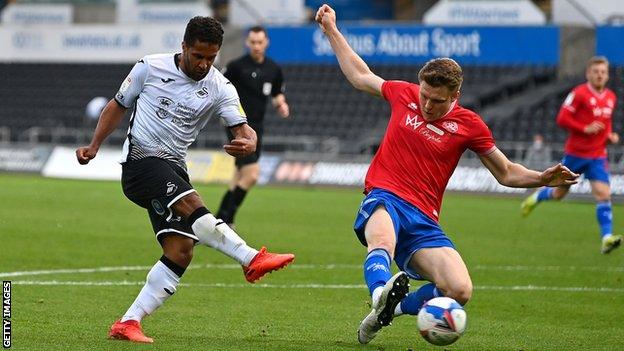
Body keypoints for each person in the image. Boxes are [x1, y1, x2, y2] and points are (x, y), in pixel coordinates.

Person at [315, 4, 578, 345]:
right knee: (381, 239)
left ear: (455, 96)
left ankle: (388, 311)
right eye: (424, 95)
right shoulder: (405, 94)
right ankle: (380, 292)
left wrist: (542, 178)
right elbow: (360, 75)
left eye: (436, 100)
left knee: (459, 289)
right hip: (386, 196)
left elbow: (507, 172)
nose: (426, 105)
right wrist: (332, 31)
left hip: (424, 218)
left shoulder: (470, 125)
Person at [75, 16, 295, 343]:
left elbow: (243, 129)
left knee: (181, 250)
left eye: (211, 58)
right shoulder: (149, 68)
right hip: (141, 163)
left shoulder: (220, 86)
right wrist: (94, 146)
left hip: (175, 168)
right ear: (184, 47)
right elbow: (117, 106)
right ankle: (250, 258)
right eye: (198, 56)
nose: (205, 64)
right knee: (194, 204)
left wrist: (250, 141)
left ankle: (128, 322)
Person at [521, 56, 622, 254]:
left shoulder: (611, 96)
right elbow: (562, 118)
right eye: (596, 71)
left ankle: (606, 237)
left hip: (598, 155)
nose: (599, 75)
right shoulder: (579, 93)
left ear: (607, 75)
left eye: (603, 72)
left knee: (604, 194)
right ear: (588, 74)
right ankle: (538, 197)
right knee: (559, 194)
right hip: (576, 154)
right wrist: (585, 128)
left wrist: (609, 137)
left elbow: (606, 122)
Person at [216, 25, 290, 227]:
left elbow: (276, 94)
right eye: (253, 42)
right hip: (238, 126)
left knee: (238, 177)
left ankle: (220, 220)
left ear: (266, 43)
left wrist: (281, 105)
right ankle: (225, 220)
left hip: (258, 127)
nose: (256, 46)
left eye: (260, 42)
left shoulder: (273, 69)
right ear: (247, 43)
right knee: (252, 174)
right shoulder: (236, 67)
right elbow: (219, 88)